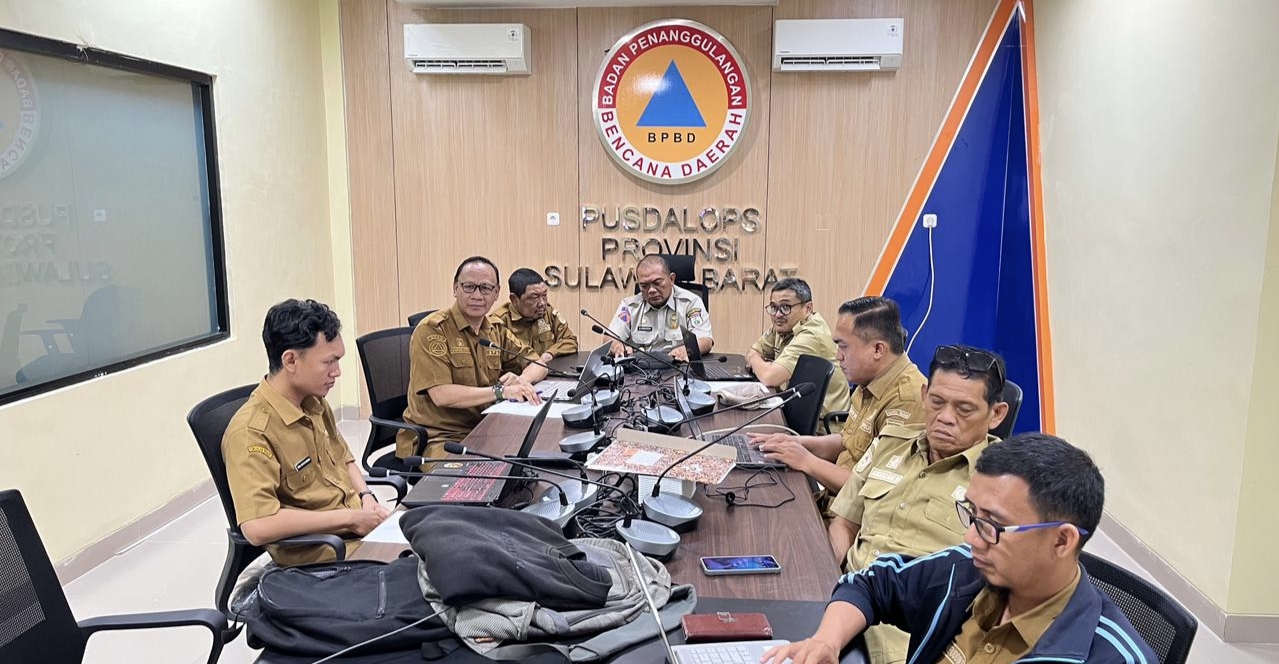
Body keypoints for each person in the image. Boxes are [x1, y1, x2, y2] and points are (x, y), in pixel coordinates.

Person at [762, 433, 1157, 664]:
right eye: (971, 514)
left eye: (992, 525)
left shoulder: (1106, 654)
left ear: (1061, 540)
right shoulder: (967, 570)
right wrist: (826, 642)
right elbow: (872, 583)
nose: (970, 538)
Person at [824, 343, 1008, 663]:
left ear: (996, 414)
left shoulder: (1003, 486)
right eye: (937, 402)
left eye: (964, 409)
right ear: (924, 395)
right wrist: (835, 580)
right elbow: (844, 521)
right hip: (839, 605)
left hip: (905, 640)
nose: (945, 418)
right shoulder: (891, 442)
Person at [222, 299, 389, 566]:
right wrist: (351, 518)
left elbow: (343, 458)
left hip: (355, 531)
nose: (337, 372)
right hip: (326, 554)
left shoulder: (313, 402)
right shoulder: (251, 432)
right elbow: (257, 526)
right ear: (290, 360)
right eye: (329, 362)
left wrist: (366, 497)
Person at [750, 297, 926, 494]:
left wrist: (806, 460)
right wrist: (797, 443)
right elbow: (848, 442)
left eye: (843, 346)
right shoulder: (871, 377)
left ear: (878, 349)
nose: (837, 355)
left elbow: (874, 489)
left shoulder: (907, 400)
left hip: (854, 517)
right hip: (836, 496)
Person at [399, 256, 547, 460]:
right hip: (440, 438)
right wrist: (501, 391)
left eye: (485, 288)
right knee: (477, 482)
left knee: (537, 459)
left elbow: (538, 363)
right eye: (469, 287)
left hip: (487, 427)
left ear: (496, 293)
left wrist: (522, 382)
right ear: (455, 288)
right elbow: (441, 395)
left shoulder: (494, 329)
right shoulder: (433, 330)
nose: (477, 295)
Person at [744, 278, 852, 433]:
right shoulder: (784, 325)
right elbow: (755, 349)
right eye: (774, 307)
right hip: (795, 414)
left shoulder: (811, 335)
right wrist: (758, 359)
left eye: (786, 307)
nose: (778, 314)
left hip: (821, 431)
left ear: (807, 308)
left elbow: (769, 376)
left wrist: (756, 361)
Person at [607, 254, 712, 362]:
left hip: (679, 368)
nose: (651, 290)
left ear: (671, 279)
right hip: (640, 371)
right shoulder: (629, 306)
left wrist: (686, 350)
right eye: (644, 285)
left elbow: (705, 339)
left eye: (657, 283)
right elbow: (609, 338)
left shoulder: (690, 302)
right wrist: (616, 346)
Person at [492, 267, 578, 364]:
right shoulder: (498, 323)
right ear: (514, 300)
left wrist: (548, 355)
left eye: (544, 295)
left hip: (550, 376)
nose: (542, 303)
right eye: (534, 297)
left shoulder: (547, 312)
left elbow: (570, 340)